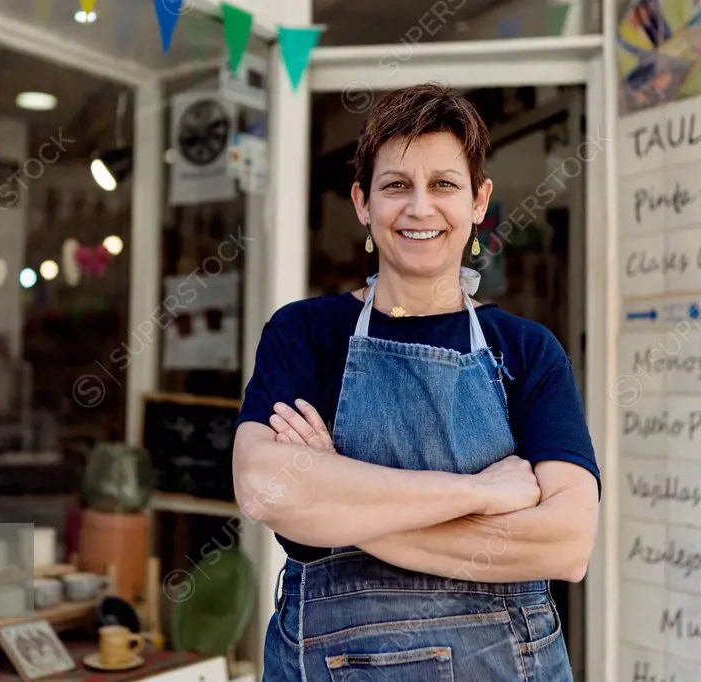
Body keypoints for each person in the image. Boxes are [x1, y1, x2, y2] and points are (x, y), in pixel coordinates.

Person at [232, 83, 600, 681]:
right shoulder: (305, 333)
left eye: (444, 185)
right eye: (396, 185)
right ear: (362, 202)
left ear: (479, 201)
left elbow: (566, 544)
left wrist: (341, 506)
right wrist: (479, 493)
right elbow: (265, 490)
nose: (420, 208)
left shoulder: (527, 351)